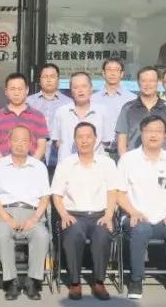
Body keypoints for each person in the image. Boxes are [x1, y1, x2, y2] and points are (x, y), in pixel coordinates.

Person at [116, 115, 166, 300]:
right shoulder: (128, 159)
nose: (154, 135)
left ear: (165, 135)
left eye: (158, 131)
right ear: (141, 133)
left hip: (165, 217)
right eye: (149, 131)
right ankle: (136, 279)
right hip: (135, 216)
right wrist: (133, 211)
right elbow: (119, 193)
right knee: (140, 230)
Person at [51, 121, 118, 300]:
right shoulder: (65, 164)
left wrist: (109, 215)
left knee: (102, 235)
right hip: (74, 215)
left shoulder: (107, 163)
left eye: (88, 137)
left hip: (100, 214)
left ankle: (99, 282)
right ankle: (75, 283)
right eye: (80, 137)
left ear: (96, 139)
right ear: (75, 140)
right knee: (73, 235)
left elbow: (113, 191)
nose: (84, 140)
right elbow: (56, 194)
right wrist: (64, 214)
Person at [0, 125, 52, 301]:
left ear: (30, 144)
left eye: (24, 140)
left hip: (32, 214)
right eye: (16, 140)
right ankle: (11, 280)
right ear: (9, 142)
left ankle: (33, 280)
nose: (20, 144)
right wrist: (7, 218)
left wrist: (34, 218)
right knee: (2, 235)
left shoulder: (39, 167)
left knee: (42, 235)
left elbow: (45, 197)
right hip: (4, 213)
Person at [115, 67, 166, 157]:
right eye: (144, 81)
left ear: (158, 82)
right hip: (134, 160)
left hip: (162, 161)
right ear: (138, 83)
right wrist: (125, 161)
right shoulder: (128, 108)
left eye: (152, 81)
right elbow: (122, 142)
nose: (148, 84)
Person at [0, 73, 49, 161]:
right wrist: (4, 166)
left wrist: (31, 165)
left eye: (20, 89)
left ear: (26, 90)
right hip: (4, 166)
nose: (16, 93)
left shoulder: (38, 116)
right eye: (12, 89)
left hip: (32, 166)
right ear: (6, 91)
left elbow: (42, 146)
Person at [50, 72, 106, 164]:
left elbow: (106, 141)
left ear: (91, 88)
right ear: (71, 91)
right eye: (76, 87)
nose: (80, 90)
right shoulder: (61, 112)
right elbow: (57, 141)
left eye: (84, 86)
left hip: (96, 165)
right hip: (68, 165)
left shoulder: (102, 111)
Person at [90, 58, 137, 154]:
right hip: (99, 150)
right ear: (103, 73)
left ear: (122, 74)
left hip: (125, 150)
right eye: (109, 70)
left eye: (116, 70)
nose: (112, 73)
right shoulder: (92, 99)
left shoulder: (132, 99)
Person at [26, 63, 73, 134]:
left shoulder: (68, 103)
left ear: (58, 80)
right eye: (45, 76)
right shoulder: (29, 102)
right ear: (39, 80)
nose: (49, 80)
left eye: (52, 76)